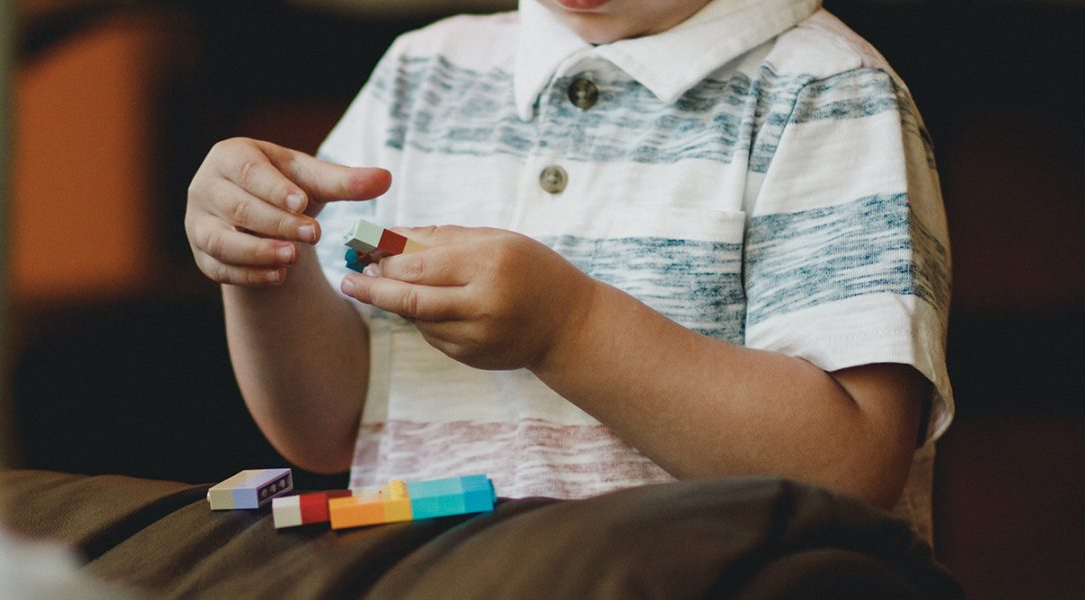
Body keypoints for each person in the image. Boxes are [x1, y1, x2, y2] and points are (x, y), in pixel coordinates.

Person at [185, 0, 953, 540]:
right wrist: (266, 264)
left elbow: (851, 466)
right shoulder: (423, 75)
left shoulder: (826, 93)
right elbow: (329, 430)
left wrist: (570, 329)